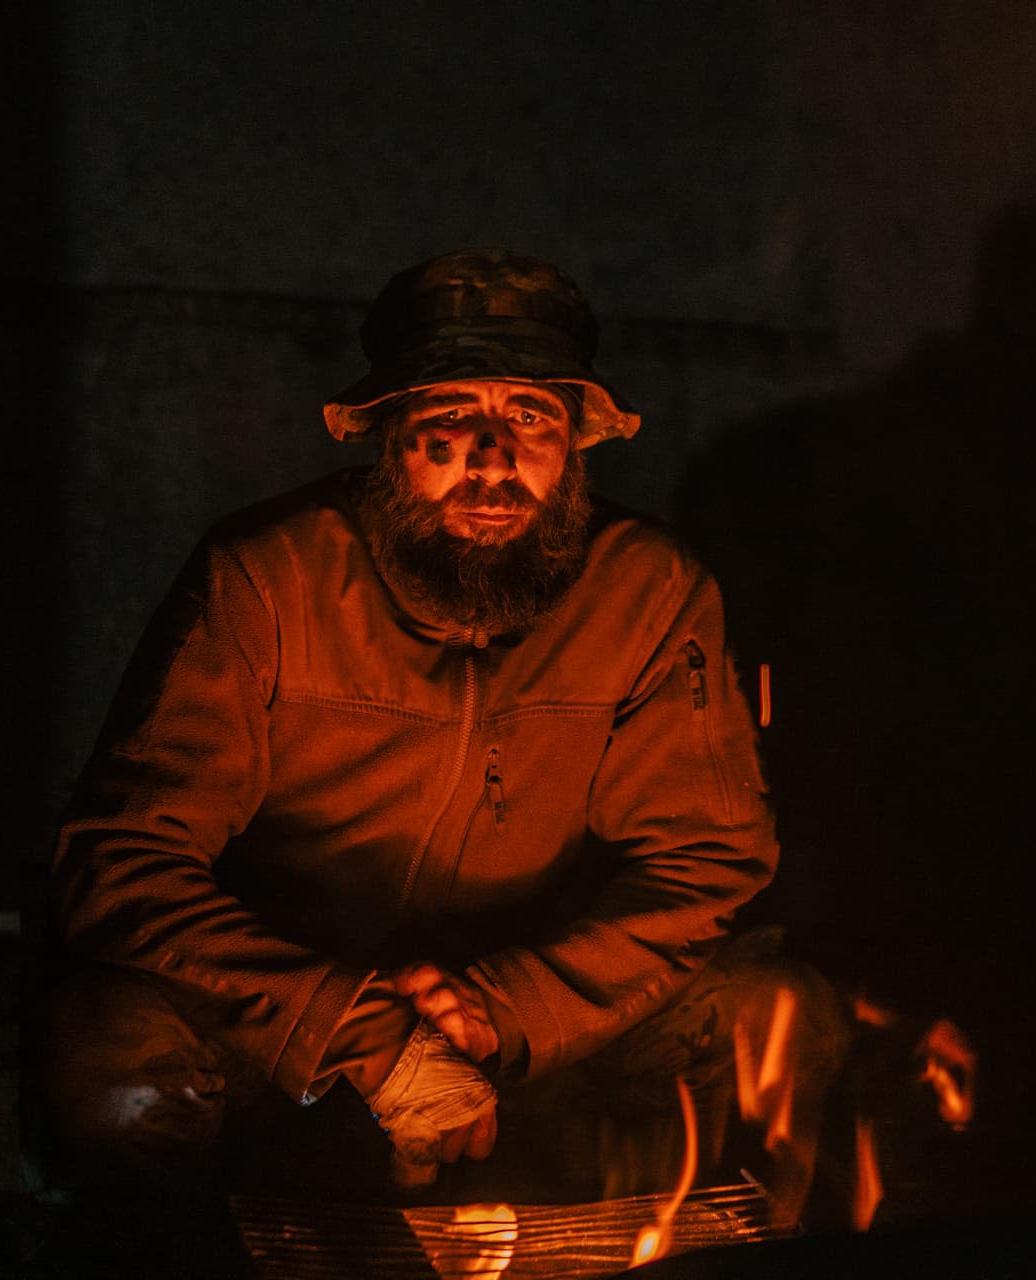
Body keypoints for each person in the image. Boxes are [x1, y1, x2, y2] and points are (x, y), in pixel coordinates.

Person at [41, 248, 835, 1228]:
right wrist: (358, 1029)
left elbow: (710, 858)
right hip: (287, 1022)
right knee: (116, 1060)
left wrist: (512, 1006)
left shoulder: (649, 590)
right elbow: (120, 860)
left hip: (542, 1024)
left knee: (772, 1015)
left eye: (531, 418)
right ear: (390, 436)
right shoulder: (266, 576)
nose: (493, 460)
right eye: (451, 419)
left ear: (573, 443)